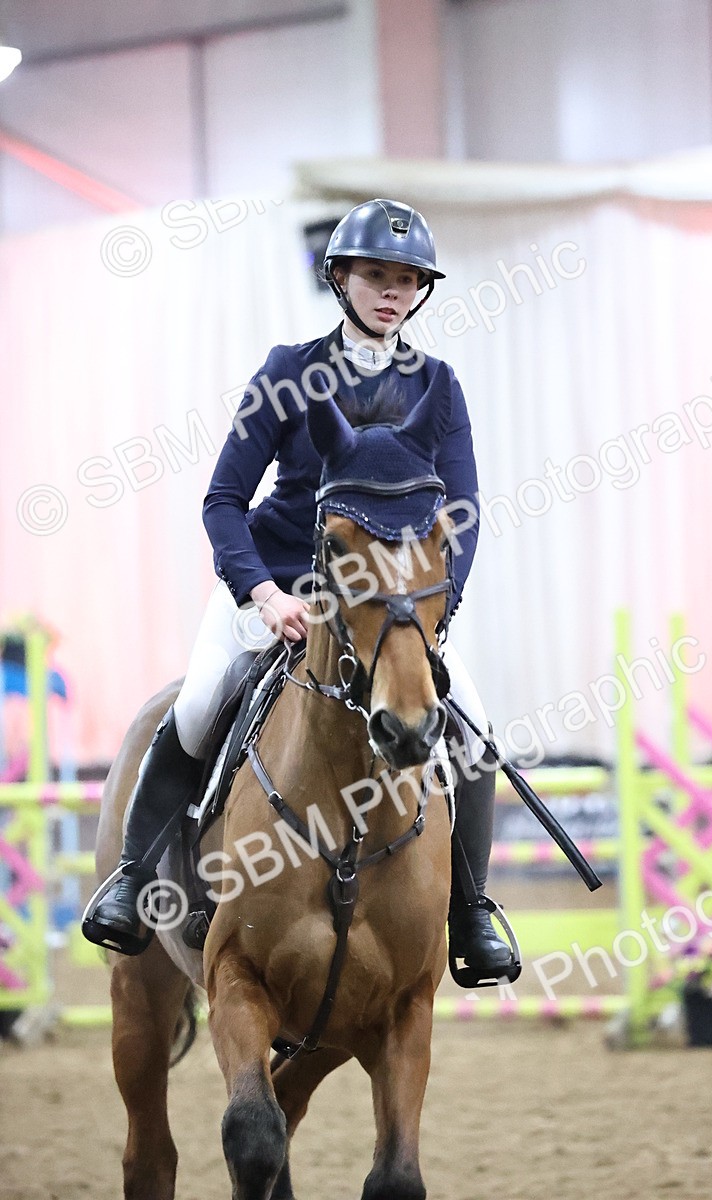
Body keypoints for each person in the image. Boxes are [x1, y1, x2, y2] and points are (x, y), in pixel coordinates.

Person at [83, 198, 513, 977]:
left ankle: (472, 911)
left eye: (407, 279)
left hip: (390, 607)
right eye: (376, 275)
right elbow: (223, 501)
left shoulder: (438, 386)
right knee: (196, 704)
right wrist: (264, 595)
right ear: (341, 278)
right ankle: (133, 878)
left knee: (474, 731)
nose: (392, 292)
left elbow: (463, 513)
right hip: (278, 586)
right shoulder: (290, 371)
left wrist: (432, 612)